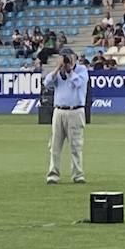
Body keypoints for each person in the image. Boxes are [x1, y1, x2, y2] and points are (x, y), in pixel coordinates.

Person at [43, 46, 88, 184]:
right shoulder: (58, 72)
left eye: (69, 57)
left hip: (76, 110)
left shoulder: (81, 70)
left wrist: (70, 71)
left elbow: (78, 83)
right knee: (55, 145)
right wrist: (57, 68)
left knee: (76, 145)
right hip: (59, 111)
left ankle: (77, 174)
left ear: (75, 57)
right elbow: (47, 83)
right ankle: (53, 174)